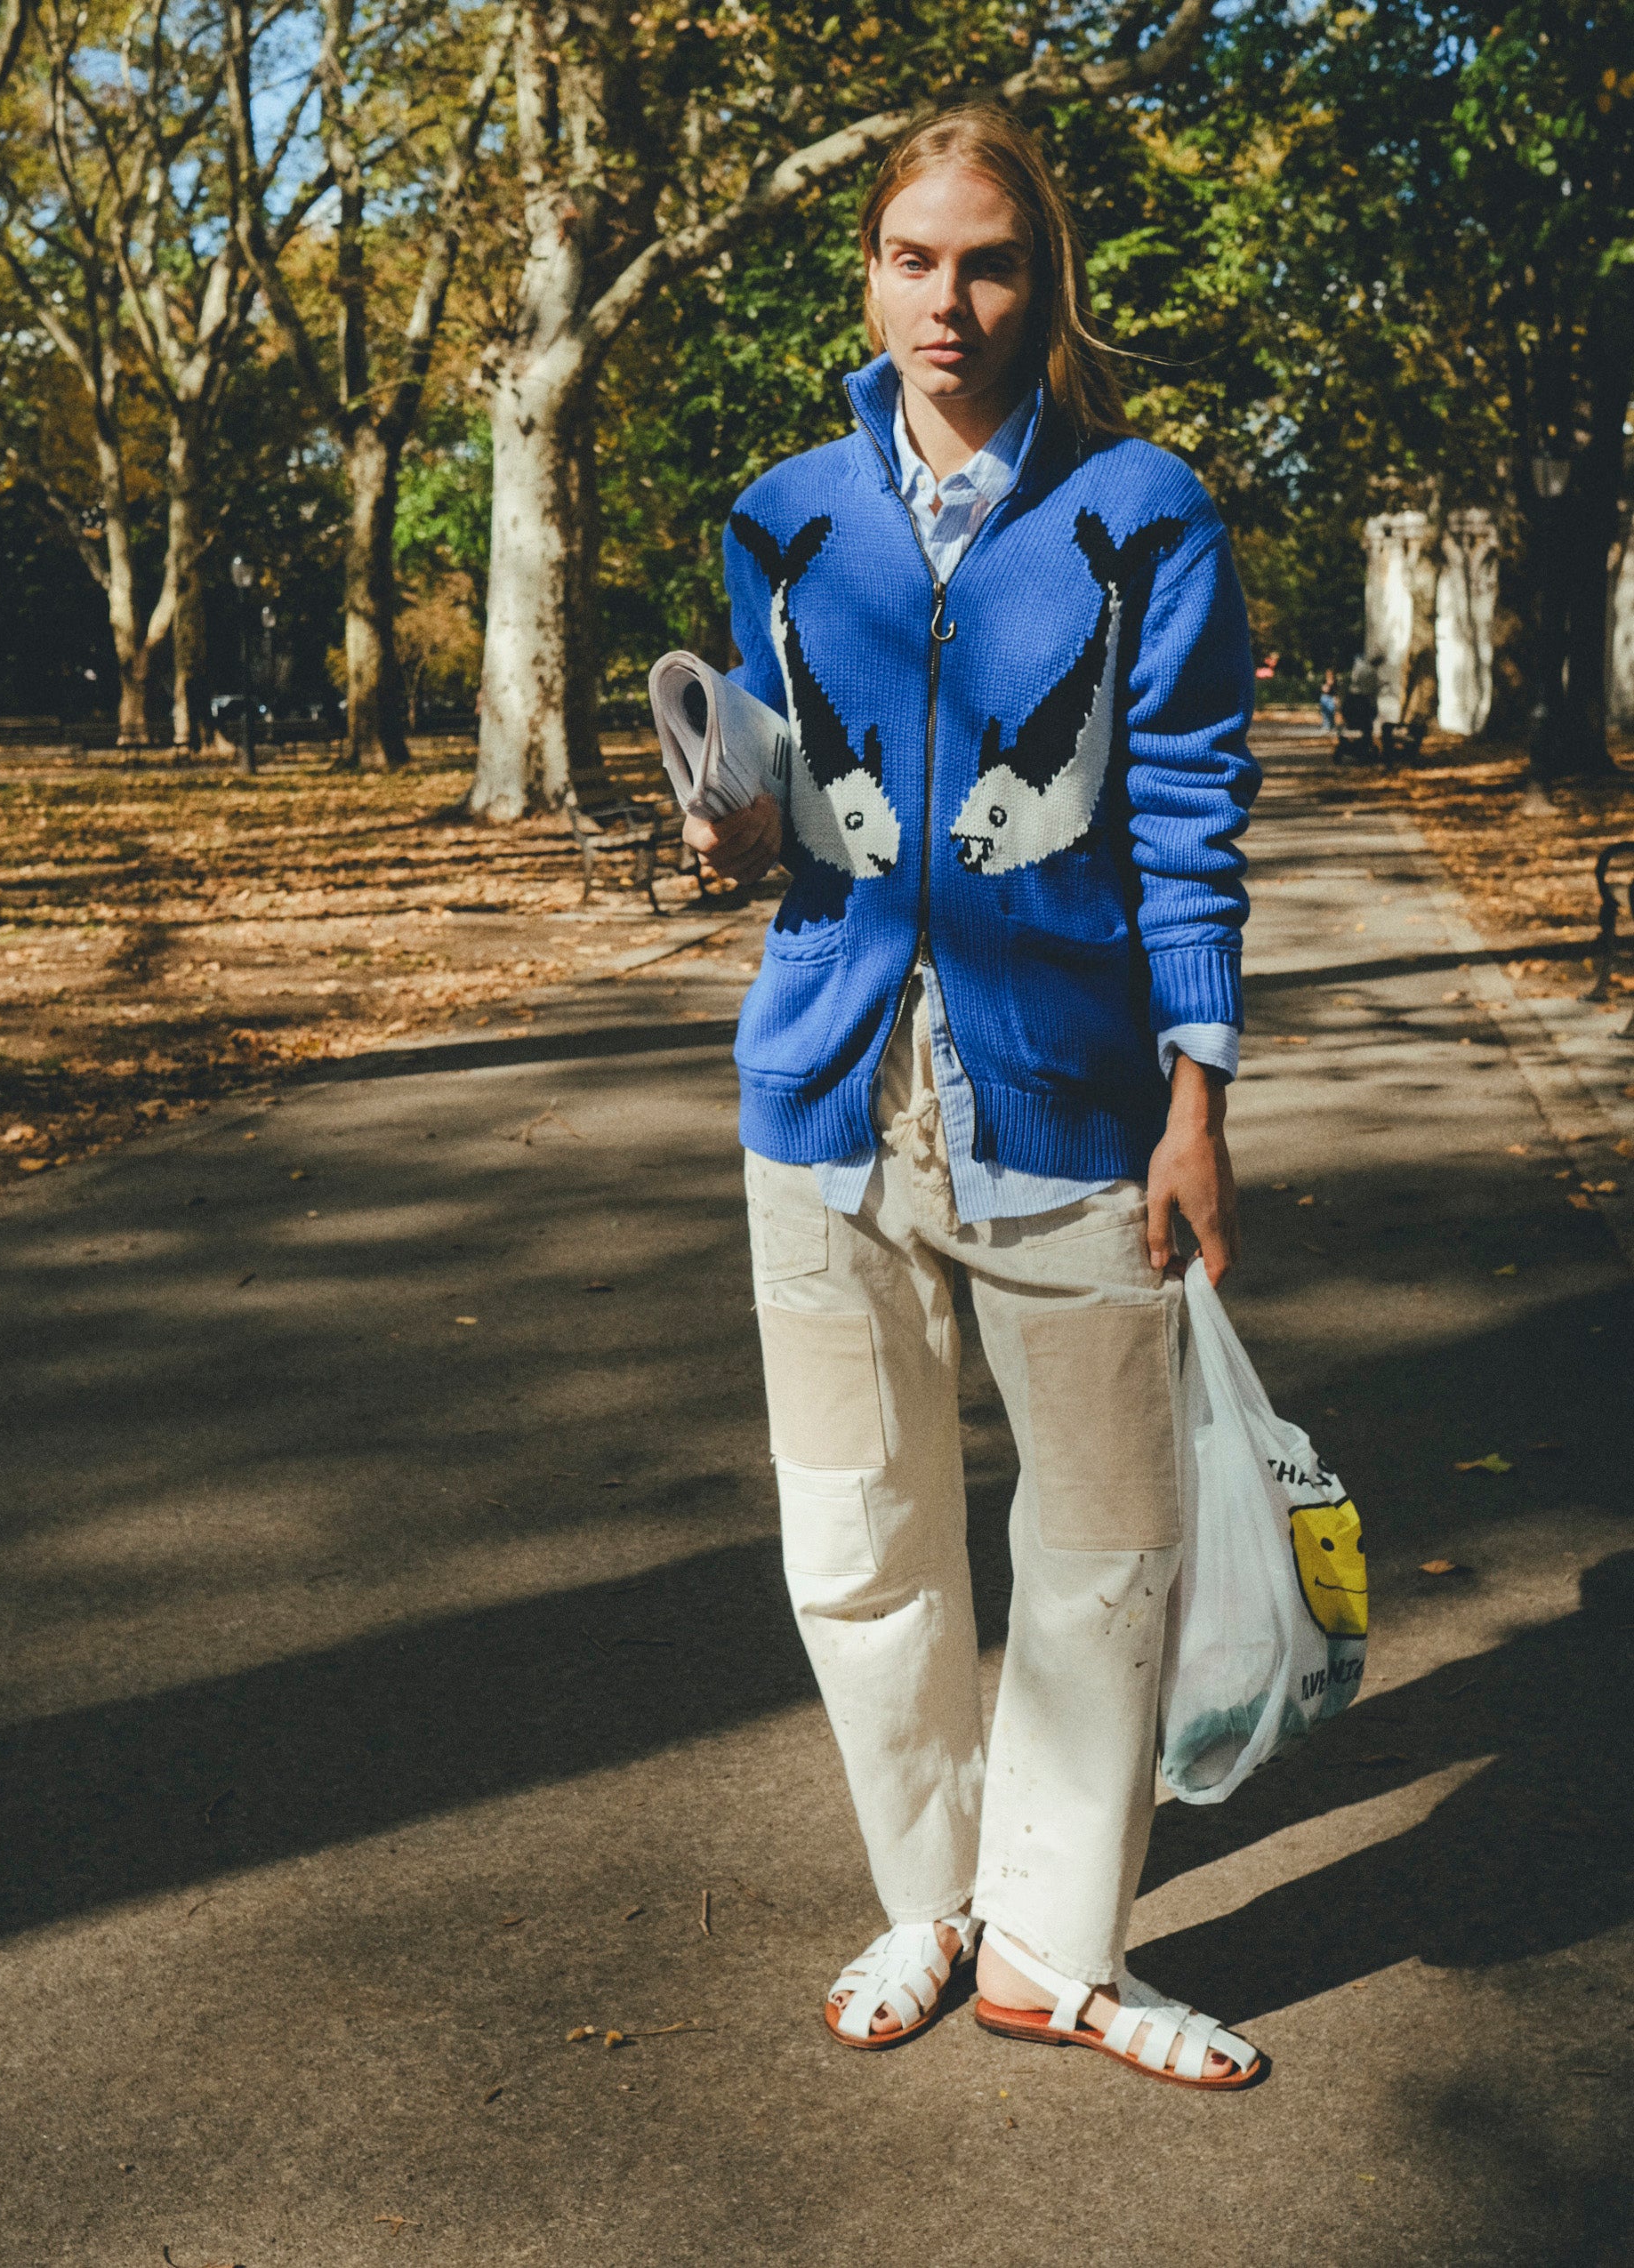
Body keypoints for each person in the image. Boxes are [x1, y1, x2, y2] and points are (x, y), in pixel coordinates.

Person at [683, 103, 1264, 2090]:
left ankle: (1054, 1949)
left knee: (1108, 1544)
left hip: (1071, 1099)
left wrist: (1198, 1094)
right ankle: (929, 1901)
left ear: (1045, 280)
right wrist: (731, 825)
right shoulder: (782, 516)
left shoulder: (1146, 513)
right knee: (857, 1538)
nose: (950, 300)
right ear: (868, 274)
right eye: (914, 259)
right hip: (824, 1097)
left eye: (990, 261)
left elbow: (1187, 815)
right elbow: (804, 809)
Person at [1319, 666, 1340, 734]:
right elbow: (1324, 689)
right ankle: (1326, 726)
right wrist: (1328, 684)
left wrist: (1336, 699)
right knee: (1325, 713)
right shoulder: (1324, 681)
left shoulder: (1335, 682)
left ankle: (1332, 726)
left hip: (1331, 698)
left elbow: (1336, 692)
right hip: (1325, 698)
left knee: (1331, 712)